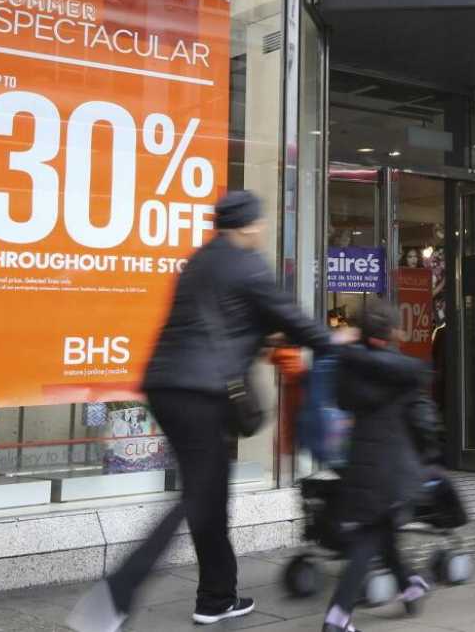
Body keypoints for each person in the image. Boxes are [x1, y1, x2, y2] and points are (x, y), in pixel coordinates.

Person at [68, 191, 338, 631]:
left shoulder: (198, 262)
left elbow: (229, 320)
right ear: (248, 225)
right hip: (200, 393)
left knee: (209, 494)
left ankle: (217, 597)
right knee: (196, 496)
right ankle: (116, 595)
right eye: (260, 222)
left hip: (167, 386)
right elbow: (293, 319)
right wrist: (338, 345)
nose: (263, 228)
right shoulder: (247, 264)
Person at [322, 300, 440, 632]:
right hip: (394, 466)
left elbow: (342, 400)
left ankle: (409, 584)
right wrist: (430, 452)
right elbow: (422, 418)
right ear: (391, 331)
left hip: (361, 461)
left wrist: (343, 344)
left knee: (382, 529)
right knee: (369, 537)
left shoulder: (349, 369)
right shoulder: (405, 370)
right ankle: (338, 615)